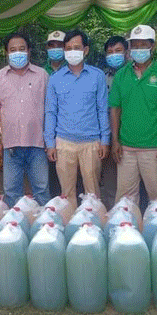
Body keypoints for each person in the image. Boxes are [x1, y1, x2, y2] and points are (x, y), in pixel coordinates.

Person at [109, 24, 157, 205]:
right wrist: (115, 141)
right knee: (125, 202)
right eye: (135, 45)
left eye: (143, 45)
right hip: (126, 148)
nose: (138, 49)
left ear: (152, 46)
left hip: (154, 148)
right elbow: (115, 108)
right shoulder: (121, 75)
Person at [44, 29, 109, 208]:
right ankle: (69, 222)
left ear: (85, 50)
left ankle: (93, 222)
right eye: (69, 48)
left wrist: (105, 140)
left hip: (91, 142)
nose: (72, 52)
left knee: (93, 194)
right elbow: (50, 112)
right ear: (64, 51)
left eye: (77, 48)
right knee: (66, 194)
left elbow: (102, 109)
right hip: (64, 143)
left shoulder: (97, 76)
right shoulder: (55, 79)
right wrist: (50, 143)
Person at [0, 32, 49, 207]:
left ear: (29, 51)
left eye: (22, 49)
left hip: (37, 143)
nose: (18, 53)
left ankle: (45, 221)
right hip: (11, 145)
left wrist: (50, 139)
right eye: (13, 50)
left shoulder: (42, 75)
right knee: (11, 191)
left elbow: (51, 108)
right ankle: (14, 222)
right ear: (6, 53)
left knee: (41, 189)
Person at [100, 36, 127, 208]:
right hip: (108, 136)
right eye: (110, 52)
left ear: (127, 53)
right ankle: (112, 213)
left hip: (130, 136)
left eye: (118, 51)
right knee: (110, 179)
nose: (114, 55)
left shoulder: (133, 76)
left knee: (130, 182)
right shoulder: (102, 77)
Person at [45, 30, 66, 196]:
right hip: (48, 130)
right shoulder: (41, 72)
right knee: (51, 174)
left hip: (67, 131)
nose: (56, 49)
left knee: (72, 178)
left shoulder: (72, 70)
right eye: (52, 45)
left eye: (60, 45)